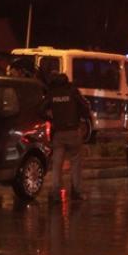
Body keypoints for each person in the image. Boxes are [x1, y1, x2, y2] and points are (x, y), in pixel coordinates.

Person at [46, 72, 91, 203]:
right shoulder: (73, 92)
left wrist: (51, 119)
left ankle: (55, 193)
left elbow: (40, 109)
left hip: (58, 133)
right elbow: (85, 107)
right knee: (76, 163)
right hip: (73, 132)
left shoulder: (52, 93)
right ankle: (77, 192)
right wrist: (80, 115)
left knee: (57, 164)